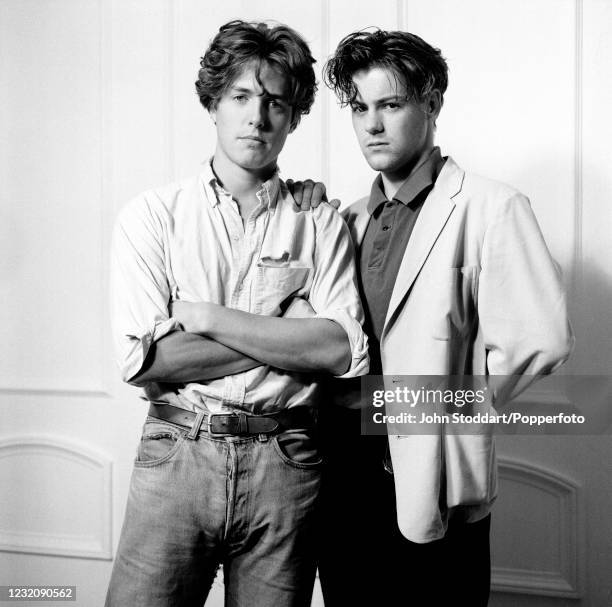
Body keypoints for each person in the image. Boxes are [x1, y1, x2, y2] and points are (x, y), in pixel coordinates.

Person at [296, 28, 573, 605]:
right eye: (360, 108)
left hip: (432, 471)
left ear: (432, 104)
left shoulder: (491, 207)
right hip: (340, 471)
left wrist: (442, 419)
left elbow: (539, 340)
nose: (372, 124)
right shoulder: (344, 219)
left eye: (390, 105)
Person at [106, 20, 368, 607]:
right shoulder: (154, 217)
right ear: (214, 105)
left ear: (295, 115)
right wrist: (288, 326)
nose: (258, 116)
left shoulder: (319, 221)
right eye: (241, 97)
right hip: (178, 453)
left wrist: (206, 317)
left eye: (275, 101)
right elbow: (148, 361)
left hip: (287, 462)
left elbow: (340, 351)